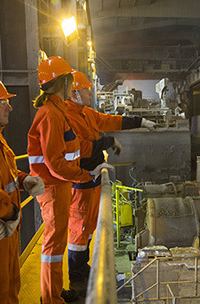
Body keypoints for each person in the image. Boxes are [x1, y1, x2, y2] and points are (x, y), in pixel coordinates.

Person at [27, 57, 113, 304]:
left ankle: (53, 291)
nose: (74, 86)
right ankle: (50, 297)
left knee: (56, 246)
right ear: (62, 82)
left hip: (60, 187)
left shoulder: (57, 112)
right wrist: (86, 175)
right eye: (70, 81)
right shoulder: (51, 115)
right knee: (53, 247)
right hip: (54, 188)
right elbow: (55, 163)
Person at [65, 70, 156, 296]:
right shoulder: (69, 117)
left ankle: (81, 268)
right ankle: (76, 275)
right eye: (86, 89)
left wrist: (140, 121)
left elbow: (109, 120)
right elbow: (83, 149)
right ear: (75, 93)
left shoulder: (84, 113)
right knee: (79, 230)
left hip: (92, 179)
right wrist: (109, 141)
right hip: (81, 181)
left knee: (86, 229)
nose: (89, 92)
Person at [0, 76, 44, 303]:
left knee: (11, 289)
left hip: (6, 233)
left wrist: (24, 180)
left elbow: (3, 177)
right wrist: (7, 210)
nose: (9, 107)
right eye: (2, 101)